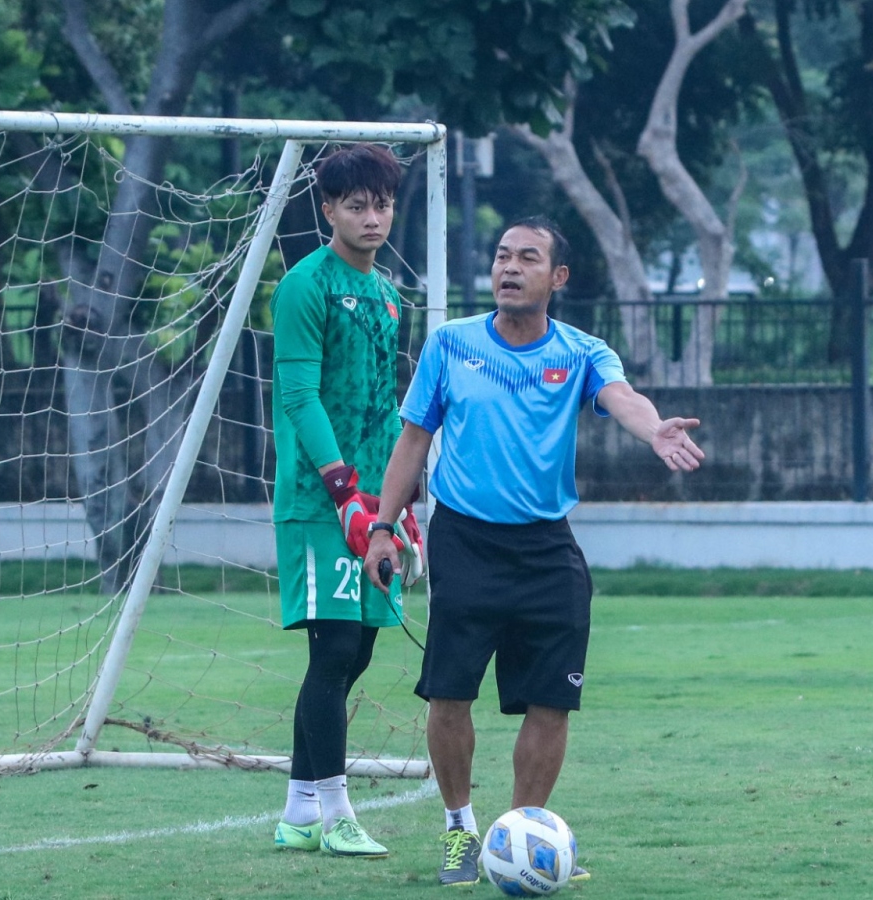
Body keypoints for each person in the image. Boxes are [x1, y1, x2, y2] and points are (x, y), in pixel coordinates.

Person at [363, 217, 705, 885]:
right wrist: (383, 525)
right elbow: (413, 442)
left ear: (558, 277)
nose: (509, 268)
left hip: (547, 548)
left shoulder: (581, 351)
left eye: (527, 257)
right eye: (501, 256)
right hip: (465, 540)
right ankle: (460, 831)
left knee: (552, 701)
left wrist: (654, 429)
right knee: (449, 695)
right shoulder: (451, 344)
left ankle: (520, 837)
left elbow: (621, 397)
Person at [268, 143, 422, 859]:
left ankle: (298, 812)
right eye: (356, 205)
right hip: (319, 502)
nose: (372, 217)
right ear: (328, 209)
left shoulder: (389, 296)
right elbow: (300, 396)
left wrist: (398, 503)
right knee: (332, 651)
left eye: (381, 204)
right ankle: (336, 816)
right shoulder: (305, 286)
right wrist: (344, 494)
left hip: (373, 506)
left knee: (355, 652)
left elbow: (387, 408)